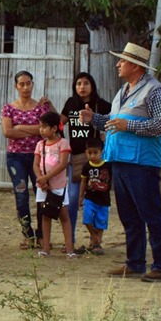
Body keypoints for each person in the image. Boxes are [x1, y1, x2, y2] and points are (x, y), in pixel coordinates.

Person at [80, 42, 161, 282]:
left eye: (122, 60)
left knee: (150, 213)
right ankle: (135, 262)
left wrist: (128, 125)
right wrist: (93, 119)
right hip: (120, 159)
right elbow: (114, 122)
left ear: (135, 65)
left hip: (142, 162)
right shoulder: (123, 91)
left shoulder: (155, 91)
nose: (118, 64)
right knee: (129, 215)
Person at [2, 70, 54, 249]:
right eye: (21, 84)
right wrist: (35, 129)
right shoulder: (8, 108)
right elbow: (8, 132)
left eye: (28, 83)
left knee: (42, 194)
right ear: (16, 86)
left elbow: (47, 130)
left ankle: (42, 235)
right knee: (21, 195)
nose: (25, 87)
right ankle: (28, 235)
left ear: (33, 84)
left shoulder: (41, 107)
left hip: (38, 158)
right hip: (15, 158)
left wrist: (20, 127)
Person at [61, 71, 111, 248]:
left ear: (92, 86)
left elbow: (115, 120)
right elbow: (59, 123)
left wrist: (105, 138)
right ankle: (70, 240)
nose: (82, 87)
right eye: (78, 83)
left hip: (96, 161)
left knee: (97, 198)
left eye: (86, 83)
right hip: (76, 159)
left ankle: (95, 240)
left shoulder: (100, 105)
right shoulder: (71, 103)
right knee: (73, 199)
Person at [33, 111, 73, 257]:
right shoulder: (40, 145)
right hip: (43, 187)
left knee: (63, 215)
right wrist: (40, 179)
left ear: (55, 128)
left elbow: (63, 164)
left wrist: (46, 178)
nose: (41, 130)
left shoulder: (63, 143)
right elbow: (35, 165)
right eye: (40, 127)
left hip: (58, 186)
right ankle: (46, 248)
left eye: (44, 127)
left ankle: (69, 249)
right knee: (45, 215)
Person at [79, 137, 111, 254]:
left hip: (104, 199)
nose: (92, 156)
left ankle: (96, 244)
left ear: (101, 152)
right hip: (90, 198)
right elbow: (83, 182)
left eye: (95, 152)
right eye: (89, 153)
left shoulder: (107, 166)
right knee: (87, 218)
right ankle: (94, 237)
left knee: (100, 221)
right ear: (85, 152)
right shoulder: (86, 166)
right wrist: (81, 197)